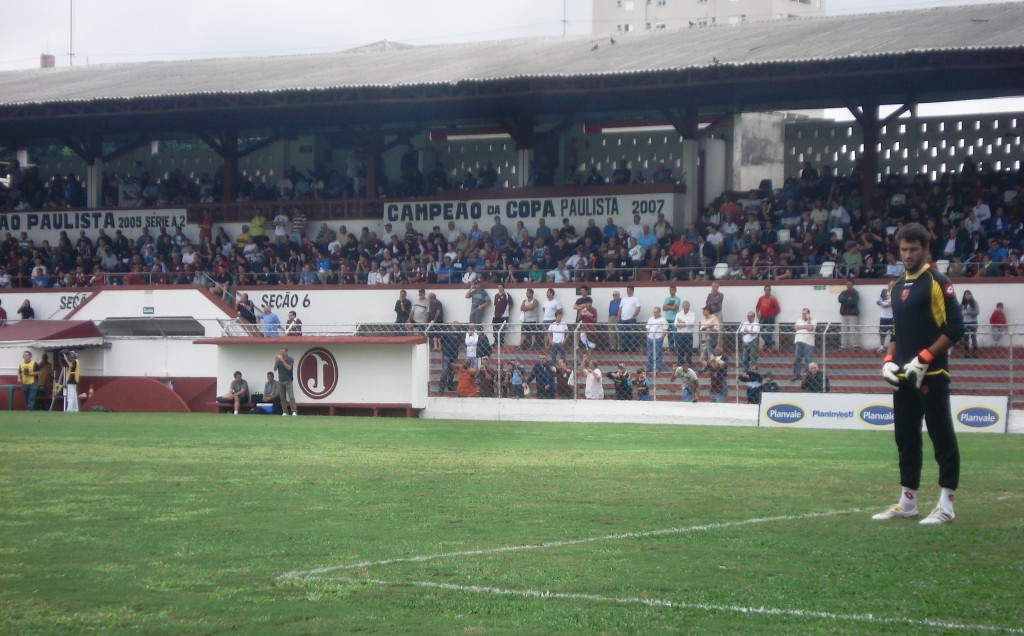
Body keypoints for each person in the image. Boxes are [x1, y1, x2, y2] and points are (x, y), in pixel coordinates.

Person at [875, 222, 964, 525]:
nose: (908, 254)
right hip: (903, 378)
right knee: (906, 439)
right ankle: (907, 501)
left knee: (941, 437)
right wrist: (889, 359)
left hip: (933, 373)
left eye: (914, 249)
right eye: (904, 249)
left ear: (926, 250)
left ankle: (946, 504)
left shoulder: (938, 282)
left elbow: (955, 328)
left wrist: (924, 358)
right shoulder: (897, 285)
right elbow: (896, 332)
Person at [792, 307, 816, 381]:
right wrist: (805, 326)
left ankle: (808, 376)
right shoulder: (799, 320)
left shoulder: (813, 321)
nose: (803, 315)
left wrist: (808, 321)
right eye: (802, 313)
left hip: (808, 343)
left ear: (808, 314)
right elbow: (796, 327)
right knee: (797, 359)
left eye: (805, 313)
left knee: (808, 360)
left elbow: (810, 328)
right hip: (798, 341)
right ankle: (796, 375)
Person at [754, 285, 781, 349]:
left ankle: (767, 345)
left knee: (769, 331)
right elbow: (757, 307)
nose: (767, 291)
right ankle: (770, 342)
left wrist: (772, 314)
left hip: (770, 318)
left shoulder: (773, 299)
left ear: (770, 290)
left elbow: (778, 309)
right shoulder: (761, 298)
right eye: (766, 289)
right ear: (764, 290)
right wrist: (758, 314)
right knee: (760, 330)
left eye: (769, 290)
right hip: (762, 317)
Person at [274, 345, 298, 416]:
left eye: (283, 352)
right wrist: (276, 361)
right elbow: (275, 369)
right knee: (282, 397)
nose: (281, 353)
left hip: (288, 380)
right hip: (280, 380)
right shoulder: (278, 359)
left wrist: (282, 361)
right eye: (281, 351)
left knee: (291, 396)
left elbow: (289, 368)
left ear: (286, 352)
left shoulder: (290, 359)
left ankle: (294, 410)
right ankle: (285, 411)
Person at [837, 280, 861, 349]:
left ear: (853, 285)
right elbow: (840, 300)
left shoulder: (855, 293)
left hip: (852, 314)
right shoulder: (843, 292)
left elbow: (854, 302)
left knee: (854, 330)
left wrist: (845, 300)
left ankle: (855, 345)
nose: (848, 285)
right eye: (847, 284)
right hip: (844, 314)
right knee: (844, 330)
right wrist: (848, 299)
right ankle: (843, 345)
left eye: (850, 284)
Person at [618, 285, 642, 352]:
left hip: (631, 319)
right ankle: (625, 348)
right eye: (627, 290)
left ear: (632, 291)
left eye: (629, 290)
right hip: (623, 319)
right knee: (624, 334)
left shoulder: (635, 299)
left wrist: (633, 316)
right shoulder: (623, 299)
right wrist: (619, 317)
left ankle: (633, 348)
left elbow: (638, 308)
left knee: (633, 334)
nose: (628, 291)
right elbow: (620, 308)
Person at [673, 300, 697, 366]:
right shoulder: (679, 313)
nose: (686, 306)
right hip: (679, 334)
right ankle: (680, 363)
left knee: (688, 349)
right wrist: (685, 323)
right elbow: (676, 324)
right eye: (685, 305)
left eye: (687, 305)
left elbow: (691, 323)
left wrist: (682, 322)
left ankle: (688, 363)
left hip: (688, 334)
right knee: (680, 349)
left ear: (689, 306)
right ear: (682, 306)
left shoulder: (692, 313)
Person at [645, 306, 668, 372]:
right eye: (654, 312)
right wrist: (648, 335)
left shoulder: (663, 319)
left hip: (658, 338)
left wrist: (662, 337)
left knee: (658, 353)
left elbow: (665, 329)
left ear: (659, 312)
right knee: (650, 353)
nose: (655, 313)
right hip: (650, 338)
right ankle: (649, 367)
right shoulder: (650, 319)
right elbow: (648, 327)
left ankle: (658, 367)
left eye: (656, 312)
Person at [959, 290, 979, 358]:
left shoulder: (974, 303)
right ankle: (966, 353)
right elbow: (959, 312)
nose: (967, 296)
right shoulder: (962, 304)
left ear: (971, 295)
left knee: (973, 337)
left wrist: (968, 313)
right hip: (964, 323)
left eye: (969, 294)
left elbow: (977, 312)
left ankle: (974, 353)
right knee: (965, 338)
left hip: (973, 322)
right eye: (966, 294)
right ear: (964, 296)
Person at [875, 280, 894, 353]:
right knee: (882, 332)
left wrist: (889, 304)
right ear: (888, 285)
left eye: (893, 285)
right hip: (883, 316)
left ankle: (894, 348)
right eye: (890, 285)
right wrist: (881, 304)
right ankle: (882, 346)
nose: (891, 286)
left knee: (893, 333)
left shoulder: (895, 292)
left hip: (892, 317)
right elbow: (878, 301)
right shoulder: (883, 292)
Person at [491, 283, 512, 348]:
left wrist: (506, 311)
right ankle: (496, 341)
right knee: (495, 329)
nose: (499, 288)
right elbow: (496, 305)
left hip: (504, 315)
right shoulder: (496, 295)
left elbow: (510, 304)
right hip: (496, 315)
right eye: (498, 287)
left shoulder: (507, 295)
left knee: (502, 329)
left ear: (503, 288)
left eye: (501, 287)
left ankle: (501, 342)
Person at [705, 282, 725, 347]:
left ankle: (719, 346)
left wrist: (712, 296)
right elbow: (708, 303)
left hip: (718, 313)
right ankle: (710, 345)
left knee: (719, 329)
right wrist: (713, 301)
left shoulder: (721, 295)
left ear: (718, 287)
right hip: (711, 314)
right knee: (710, 329)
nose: (713, 288)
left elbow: (717, 301)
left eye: (715, 286)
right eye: (712, 286)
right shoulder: (709, 295)